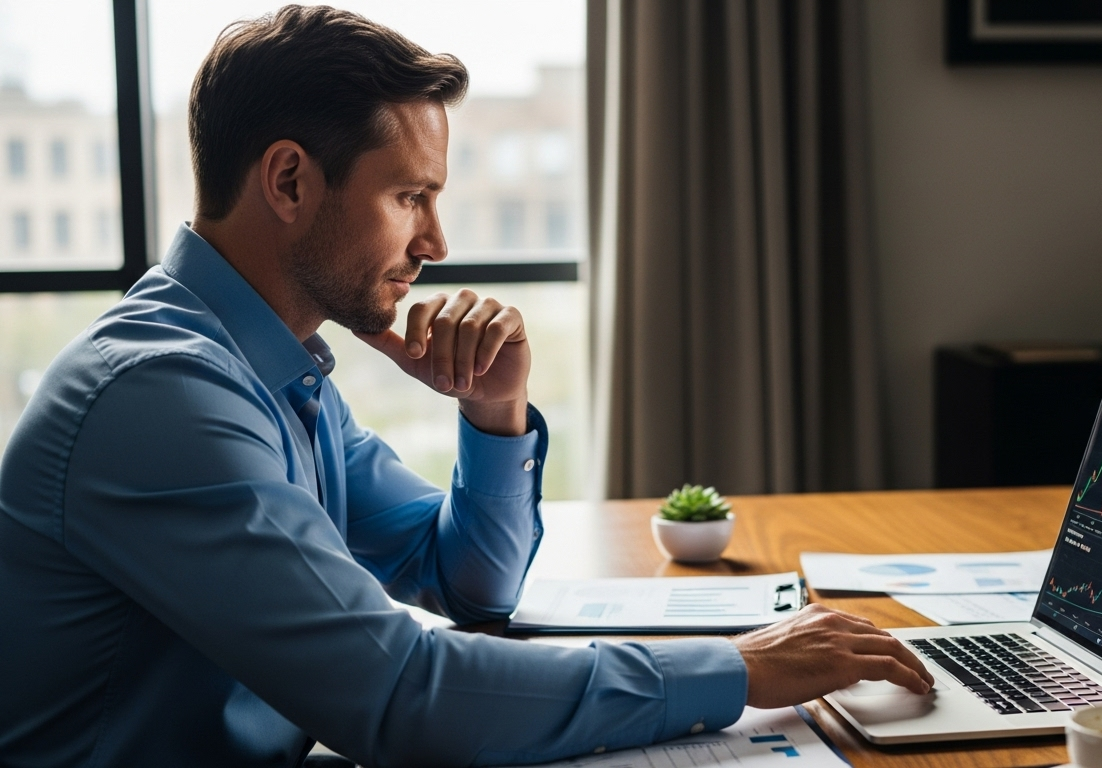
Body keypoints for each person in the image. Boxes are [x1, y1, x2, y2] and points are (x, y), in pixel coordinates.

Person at [0, 6, 931, 767]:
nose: (436, 243)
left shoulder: (271, 372)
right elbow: (401, 694)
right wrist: (736, 670)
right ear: (288, 181)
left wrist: (493, 411)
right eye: (410, 197)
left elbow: (465, 581)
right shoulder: (163, 396)